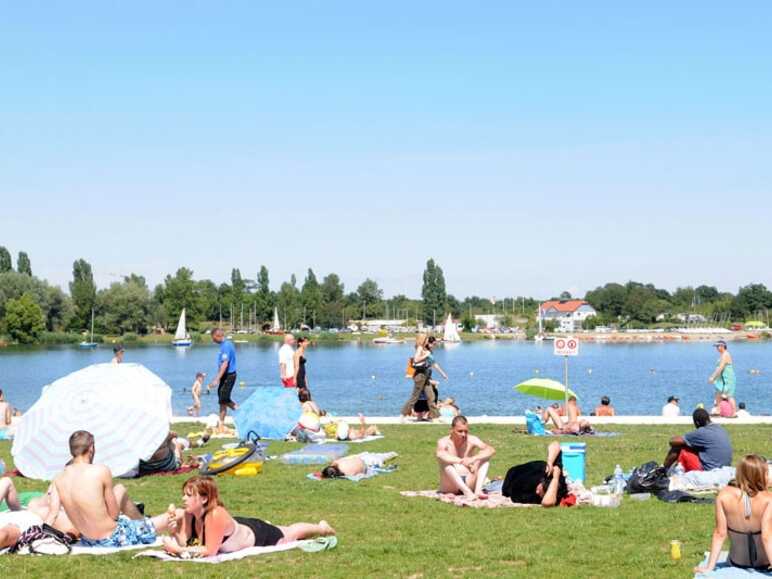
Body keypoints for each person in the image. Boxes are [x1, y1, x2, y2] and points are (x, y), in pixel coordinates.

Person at [47, 430, 175, 547]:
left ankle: (142, 522)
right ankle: (143, 524)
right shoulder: (100, 471)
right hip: (113, 538)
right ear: (91, 448)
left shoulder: (58, 478)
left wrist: (39, 535)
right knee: (175, 515)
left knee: (118, 492)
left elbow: (52, 514)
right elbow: (114, 515)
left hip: (89, 541)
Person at [162, 476, 335, 557]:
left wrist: (177, 550)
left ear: (204, 498)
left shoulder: (215, 515)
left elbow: (209, 551)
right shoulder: (189, 514)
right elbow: (192, 545)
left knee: (289, 533)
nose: (183, 499)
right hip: (238, 527)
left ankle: (321, 528)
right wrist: (175, 533)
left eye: (188, 495)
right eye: (184, 494)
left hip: (257, 534)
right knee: (285, 530)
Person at [694, 454, 771, 573]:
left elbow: (720, 534)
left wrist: (709, 567)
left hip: (736, 562)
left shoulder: (723, 495)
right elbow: (766, 537)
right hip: (763, 563)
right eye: (766, 473)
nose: (769, 477)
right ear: (759, 475)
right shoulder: (768, 500)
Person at [436, 416, 495, 500]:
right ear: (452, 429)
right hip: (451, 484)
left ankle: (478, 491)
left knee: (484, 459)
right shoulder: (443, 441)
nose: (463, 434)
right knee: (445, 463)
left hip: (469, 480)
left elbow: (491, 450)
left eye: (466, 431)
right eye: (460, 431)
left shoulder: (472, 439)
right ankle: (467, 492)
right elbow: (440, 454)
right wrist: (461, 461)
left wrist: (474, 458)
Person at [663, 408, 733, 472]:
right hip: (724, 470)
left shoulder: (702, 432)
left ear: (697, 423)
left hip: (709, 471)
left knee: (679, 447)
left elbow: (673, 442)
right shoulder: (720, 429)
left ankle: (663, 470)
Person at [501, 442, 569, 507]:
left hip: (513, 486)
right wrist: (550, 462)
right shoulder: (555, 474)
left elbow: (547, 503)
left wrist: (555, 478)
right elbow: (555, 444)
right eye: (540, 489)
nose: (537, 492)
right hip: (518, 472)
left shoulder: (552, 495)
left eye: (541, 494)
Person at [401, 334, 439, 421]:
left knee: (431, 397)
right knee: (414, 398)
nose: (427, 340)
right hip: (420, 375)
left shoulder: (424, 348)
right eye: (426, 339)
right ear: (423, 340)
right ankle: (402, 416)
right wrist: (426, 355)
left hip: (425, 376)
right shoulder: (420, 348)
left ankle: (436, 417)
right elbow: (416, 360)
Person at [207, 328, 237, 433]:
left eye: (213, 337)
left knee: (224, 399)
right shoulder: (223, 346)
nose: (212, 340)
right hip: (225, 376)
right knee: (222, 399)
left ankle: (239, 411)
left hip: (229, 376)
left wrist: (217, 379)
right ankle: (222, 423)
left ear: (217, 335)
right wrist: (219, 377)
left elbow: (225, 364)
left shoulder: (226, 346)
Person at [412, 336, 448, 420]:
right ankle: (429, 416)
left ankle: (425, 416)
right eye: (433, 344)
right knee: (426, 395)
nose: (434, 345)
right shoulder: (423, 350)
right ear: (428, 342)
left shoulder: (429, 351)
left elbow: (434, 364)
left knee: (429, 395)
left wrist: (443, 374)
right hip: (422, 375)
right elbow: (416, 360)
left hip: (427, 375)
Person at [709, 340, 737, 417]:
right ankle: (718, 410)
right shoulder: (722, 355)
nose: (717, 348)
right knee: (718, 393)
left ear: (723, 346)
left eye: (718, 346)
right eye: (716, 347)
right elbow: (718, 368)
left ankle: (734, 413)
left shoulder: (725, 354)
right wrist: (714, 377)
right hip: (721, 378)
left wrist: (713, 377)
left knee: (729, 395)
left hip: (727, 378)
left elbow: (721, 367)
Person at [321, 451, 397, 478]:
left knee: (383, 456)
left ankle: (393, 453)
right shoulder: (338, 463)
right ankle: (394, 453)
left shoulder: (348, 473)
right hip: (365, 459)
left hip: (368, 461)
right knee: (385, 455)